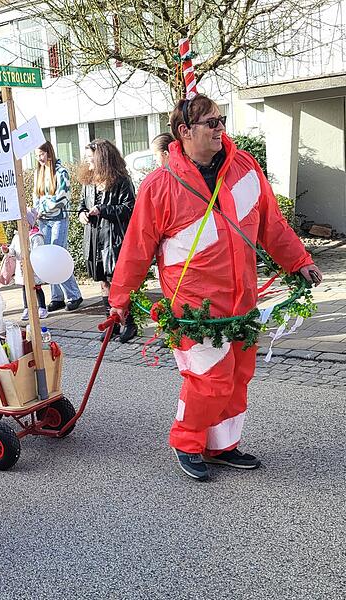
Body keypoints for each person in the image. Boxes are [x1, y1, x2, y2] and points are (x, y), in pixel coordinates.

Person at [108, 94, 323, 481]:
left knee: (238, 376)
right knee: (210, 380)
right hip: (194, 308)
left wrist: (299, 261)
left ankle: (222, 445)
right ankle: (186, 440)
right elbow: (137, 247)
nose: (219, 127)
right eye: (209, 122)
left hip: (242, 301)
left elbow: (271, 222)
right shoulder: (161, 185)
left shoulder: (244, 168)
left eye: (220, 119)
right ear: (184, 131)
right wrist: (120, 299)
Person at [78, 139, 137, 343]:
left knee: (118, 282)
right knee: (103, 282)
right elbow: (81, 205)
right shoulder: (89, 180)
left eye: (90, 157)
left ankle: (129, 323)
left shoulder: (121, 180)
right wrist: (82, 214)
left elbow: (129, 208)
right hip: (94, 238)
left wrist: (103, 210)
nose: (87, 161)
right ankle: (111, 323)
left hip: (113, 237)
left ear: (102, 157)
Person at [33, 141, 83, 312]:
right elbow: (36, 196)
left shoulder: (61, 172)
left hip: (58, 219)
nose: (39, 158)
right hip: (43, 220)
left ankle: (73, 294)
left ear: (49, 153)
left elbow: (62, 198)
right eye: (37, 155)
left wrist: (43, 208)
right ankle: (57, 297)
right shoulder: (38, 172)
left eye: (41, 154)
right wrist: (36, 211)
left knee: (57, 256)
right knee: (48, 259)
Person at [6, 209, 47, 321]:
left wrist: (32, 260)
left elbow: (39, 251)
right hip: (22, 267)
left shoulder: (36, 236)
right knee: (25, 288)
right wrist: (7, 250)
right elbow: (13, 250)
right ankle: (26, 308)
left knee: (36, 287)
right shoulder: (17, 236)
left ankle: (42, 307)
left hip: (33, 267)